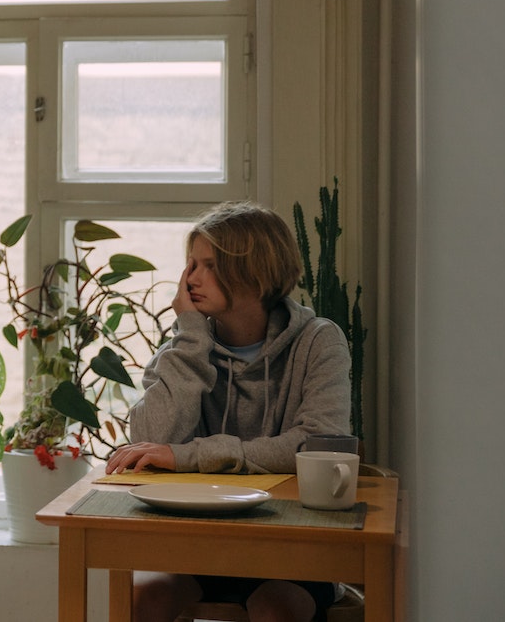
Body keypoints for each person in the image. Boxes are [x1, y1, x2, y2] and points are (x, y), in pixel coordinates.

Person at [105, 201, 352, 622]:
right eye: (190, 266)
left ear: (254, 273)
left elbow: (316, 445)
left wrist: (188, 456)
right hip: (198, 543)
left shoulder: (318, 341)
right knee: (143, 600)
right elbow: (149, 438)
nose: (191, 280)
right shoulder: (184, 347)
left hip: (292, 549)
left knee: (277, 611)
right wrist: (192, 338)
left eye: (208, 266)